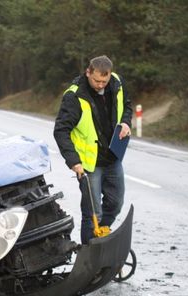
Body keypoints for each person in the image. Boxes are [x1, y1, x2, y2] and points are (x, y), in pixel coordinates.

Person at [53, 55, 133, 244]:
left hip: (113, 157)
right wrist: (74, 161)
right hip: (88, 163)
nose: (100, 85)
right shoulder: (74, 96)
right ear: (88, 72)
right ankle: (89, 253)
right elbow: (61, 131)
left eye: (104, 81)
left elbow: (127, 106)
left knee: (115, 203)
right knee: (92, 212)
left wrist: (125, 122)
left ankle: (101, 234)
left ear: (110, 75)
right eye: (96, 80)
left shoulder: (117, 84)